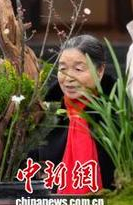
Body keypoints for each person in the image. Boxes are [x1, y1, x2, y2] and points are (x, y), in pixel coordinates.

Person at [36, 35, 115, 193]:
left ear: (100, 71)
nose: (68, 78)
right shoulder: (44, 114)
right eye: (63, 69)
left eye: (78, 69)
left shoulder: (118, 116)